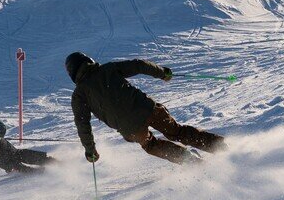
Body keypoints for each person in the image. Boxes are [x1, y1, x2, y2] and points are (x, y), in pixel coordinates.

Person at [64, 52, 225, 165]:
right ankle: (219, 146)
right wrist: (163, 73)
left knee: (151, 145)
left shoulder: (79, 95)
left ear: (72, 74)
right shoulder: (108, 69)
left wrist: (90, 150)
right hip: (148, 109)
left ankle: (188, 159)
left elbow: (82, 123)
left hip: (131, 128)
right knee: (177, 131)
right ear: (88, 60)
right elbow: (139, 65)